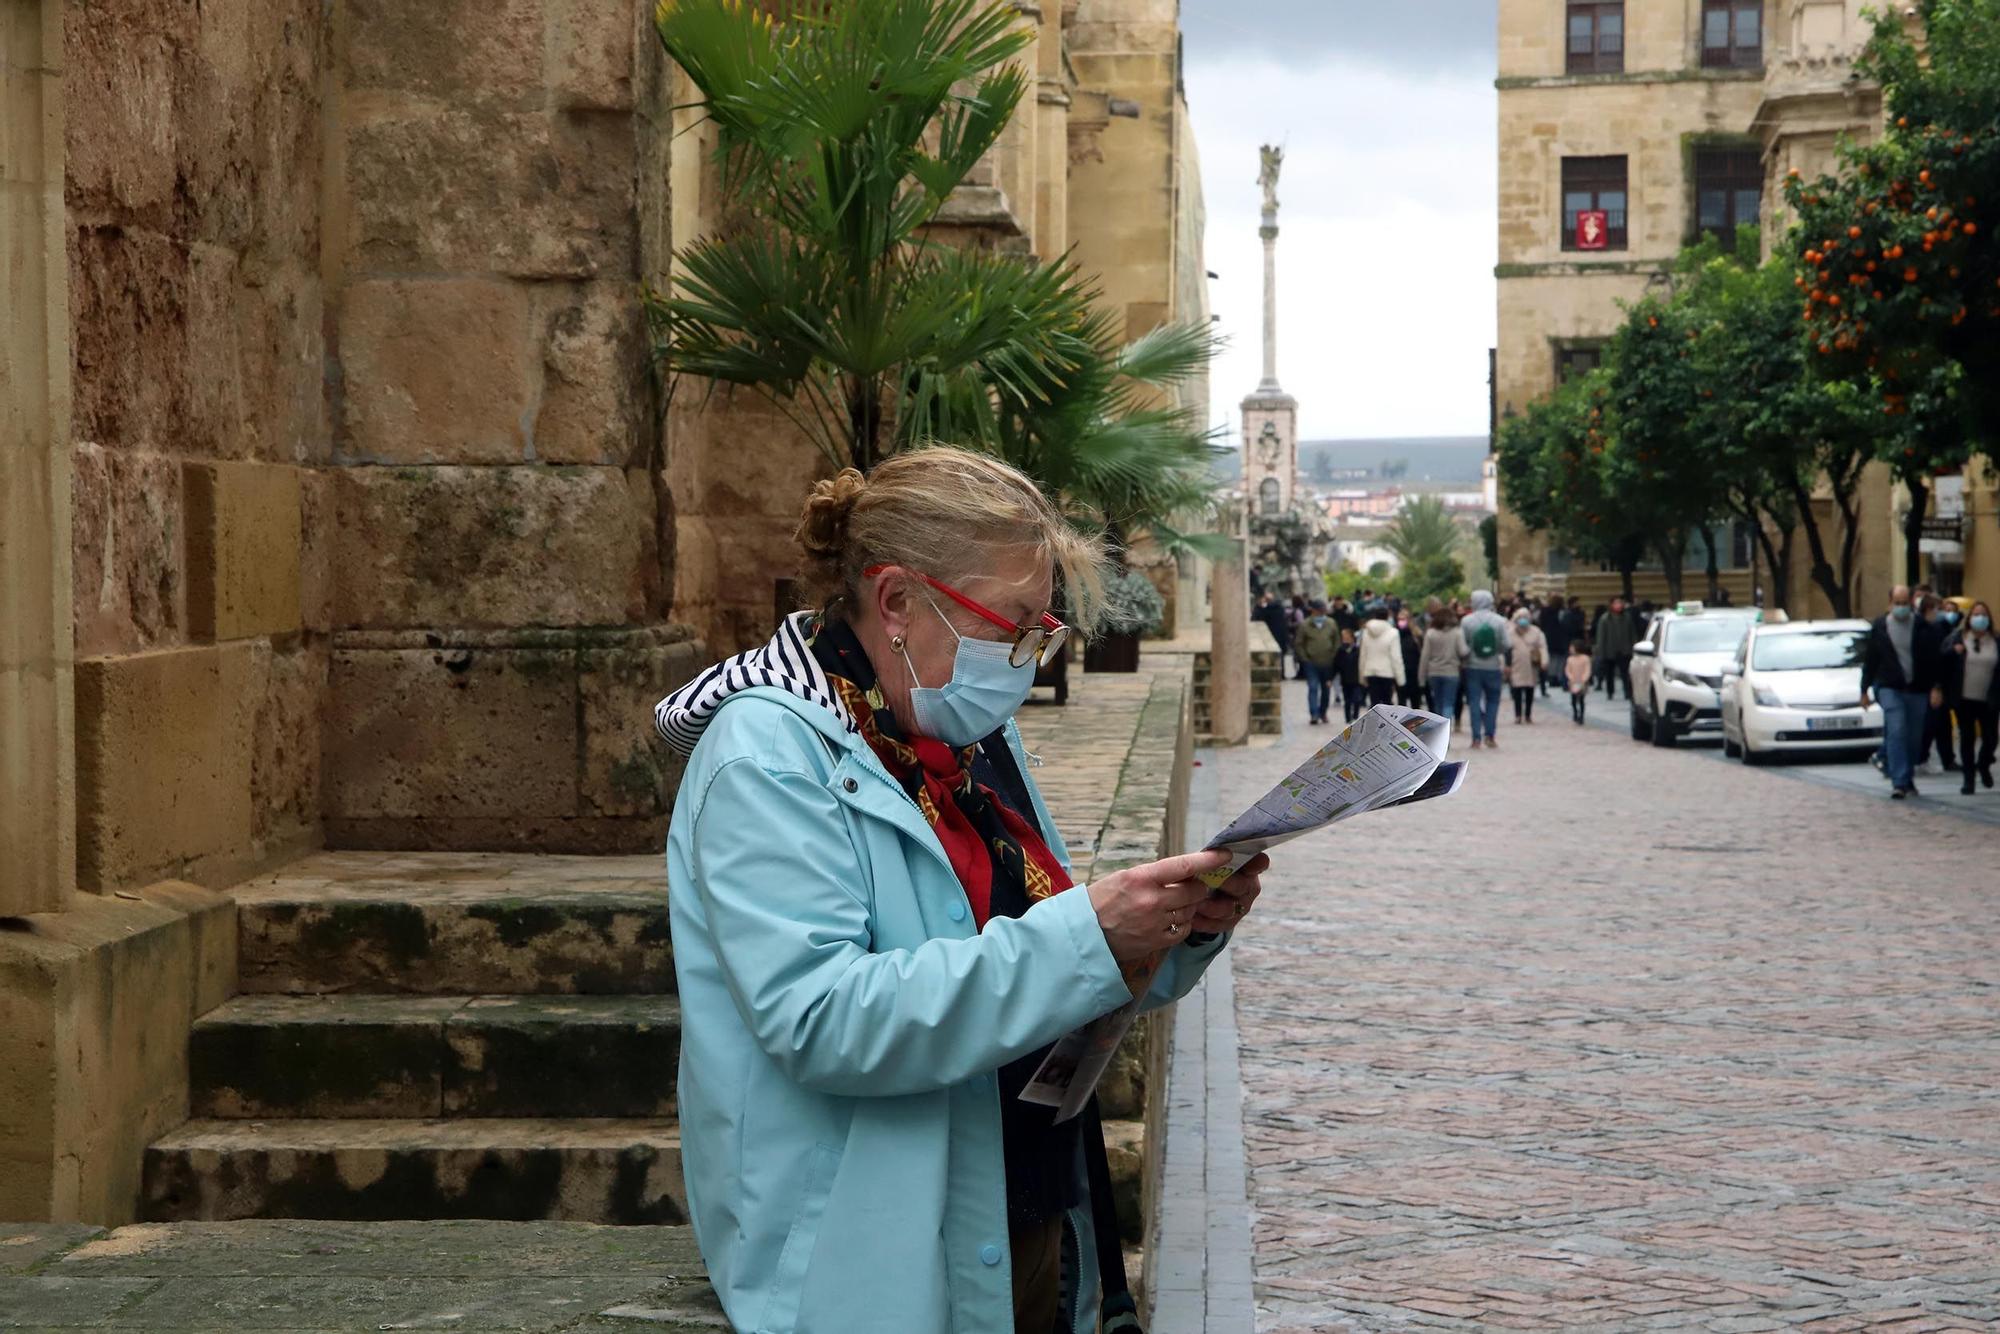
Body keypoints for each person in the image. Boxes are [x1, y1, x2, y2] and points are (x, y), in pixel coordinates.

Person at [654, 448, 1269, 1333]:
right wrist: (1090, 936)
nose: (1025, 658)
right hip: (875, 1244)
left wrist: (1172, 929)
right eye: (1008, 625)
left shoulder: (961, 733)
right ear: (898, 600)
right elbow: (823, 1018)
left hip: (1022, 1196)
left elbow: (1042, 943)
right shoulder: (767, 758)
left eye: (1040, 630)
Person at [1860, 584, 1946, 799]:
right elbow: (1871, 659)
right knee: (1897, 729)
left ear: (1911, 603)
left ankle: (1907, 778)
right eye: (1897, 603)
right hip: (1890, 686)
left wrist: (1937, 686)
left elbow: (1934, 660)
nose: (1901, 607)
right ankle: (1899, 781)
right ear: (1890, 604)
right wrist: (1864, 689)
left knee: (1914, 738)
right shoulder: (1880, 627)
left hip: (1917, 688)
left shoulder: (1923, 627)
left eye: (1904, 603)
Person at [1942, 599, 1997, 795]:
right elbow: (1942, 661)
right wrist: (1952, 652)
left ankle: (1983, 765)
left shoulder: (1995, 641)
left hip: (1989, 699)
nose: (1979, 618)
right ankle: (1968, 780)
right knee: (1967, 738)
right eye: (1976, 614)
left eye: (1983, 615)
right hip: (1963, 698)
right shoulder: (1957, 638)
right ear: (1969, 618)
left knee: (1991, 739)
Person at [1459, 589, 1510, 749]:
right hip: (1493, 667)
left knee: (1474, 701)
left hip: (1473, 667)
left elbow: (1463, 645)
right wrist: (1496, 652)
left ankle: (1475, 738)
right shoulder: (1500, 621)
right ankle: (1490, 735)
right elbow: (1506, 644)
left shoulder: (1467, 621)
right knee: (1493, 701)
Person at [1295, 599, 1340, 725]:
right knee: (1313, 687)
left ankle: (1323, 712)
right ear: (1313, 611)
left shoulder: (1331, 623)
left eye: (1322, 610)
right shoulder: (1305, 625)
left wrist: (1333, 656)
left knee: (1326, 689)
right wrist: (1304, 658)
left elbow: (1336, 641)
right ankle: (1314, 714)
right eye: (1318, 610)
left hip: (1327, 663)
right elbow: (1299, 643)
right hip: (1311, 663)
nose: (1321, 612)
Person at [1421, 607, 1466, 729]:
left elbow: (1425, 656)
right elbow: (1463, 651)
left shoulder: (1430, 633)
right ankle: (1446, 732)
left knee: (1438, 702)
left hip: (1434, 672)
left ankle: (1438, 730)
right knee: (1448, 703)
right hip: (1451, 672)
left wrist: (1421, 677)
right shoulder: (1457, 632)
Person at [1508, 608, 1548, 724]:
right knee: (1517, 691)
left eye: (1525, 617)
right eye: (1520, 617)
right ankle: (1518, 715)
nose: (1523, 620)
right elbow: (1505, 649)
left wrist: (1544, 661)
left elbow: (1542, 647)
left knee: (1530, 690)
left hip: (1531, 665)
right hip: (1516, 665)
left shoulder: (1536, 632)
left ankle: (1528, 714)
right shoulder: (1510, 632)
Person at [1593, 595, 1638, 701]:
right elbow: (1601, 637)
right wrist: (1601, 652)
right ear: (1611, 605)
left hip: (1625, 650)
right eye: (1616, 603)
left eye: (1620, 603)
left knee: (1625, 673)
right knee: (1609, 674)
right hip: (1610, 650)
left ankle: (1627, 692)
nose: (1619, 605)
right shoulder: (1605, 618)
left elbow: (1632, 634)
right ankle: (1610, 692)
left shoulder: (1627, 617)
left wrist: (1633, 647)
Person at [1358, 607, 1405, 707]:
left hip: (1370, 671)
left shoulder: (1366, 632)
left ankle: (1373, 722)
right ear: (1387, 617)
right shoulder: (1393, 632)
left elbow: (1363, 654)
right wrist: (1400, 678)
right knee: (1387, 702)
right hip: (1386, 672)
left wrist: (1361, 675)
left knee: (1374, 702)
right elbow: (1395, 656)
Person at [1538, 596, 1570, 697]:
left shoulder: (1544, 611)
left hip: (1548, 637)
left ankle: (1551, 678)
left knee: (1551, 659)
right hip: (1559, 638)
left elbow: (1541, 623)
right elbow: (1564, 625)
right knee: (1560, 659)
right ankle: (1558, 678)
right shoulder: (1561, 612)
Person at [1255, 591, 1292, 675]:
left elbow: (1257, 618)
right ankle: (1281, 673)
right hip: (1281, 635)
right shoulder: (1280, 609)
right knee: (1280, 655)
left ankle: (1271, 672)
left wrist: (1259, 606)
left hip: (1268, 635)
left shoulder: (1264, 610)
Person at [1334, 627, 1364, 723]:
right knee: (1347, 700)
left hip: (1356, 679)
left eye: (1347, 637)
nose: (1345, 639)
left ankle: (1355, 715)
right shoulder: (1341, 650)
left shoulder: (1358, 650)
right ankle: (1347, 718)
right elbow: (1336, 665)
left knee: (1357, 699)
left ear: (1352, 638)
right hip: (1345, 679)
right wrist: (1330, 678)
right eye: (1343, 637)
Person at [1396, 612, 1425, 709]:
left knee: (1415, 700)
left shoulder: (1416, 634)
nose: (1401, 622)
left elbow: (1421, 652)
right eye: (1399, 619)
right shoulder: (1395, 634)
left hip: (1414, 670)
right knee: (1401, 701)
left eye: (1403, 619)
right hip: (1400, 670)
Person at [1566, 637, 1593, 725]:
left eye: (1572, 647)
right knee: (1573, 700)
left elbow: (1587, 670)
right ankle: (1575, 713)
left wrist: (1584, 679)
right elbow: (1567, 670)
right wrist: (1570, 677)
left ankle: (1581, 715)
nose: (1570, 649)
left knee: (1581, 699)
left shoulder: (1585, 658)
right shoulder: (1570, 659)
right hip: (1573, 682)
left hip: (1582, 682)